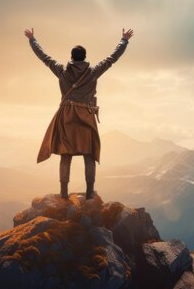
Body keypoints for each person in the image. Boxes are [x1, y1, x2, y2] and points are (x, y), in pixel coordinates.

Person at [24, 27, 134, 199]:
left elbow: (44, 57)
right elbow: (112, 59)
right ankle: (90, 193)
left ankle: (64, 193)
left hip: (66, 115)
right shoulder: (92, 73)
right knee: (89, 154)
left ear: (71, 57)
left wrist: (32, 39)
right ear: (85, 58)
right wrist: (124, 40)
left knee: (65, 154)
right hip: (86, 117)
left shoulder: (62, 71)